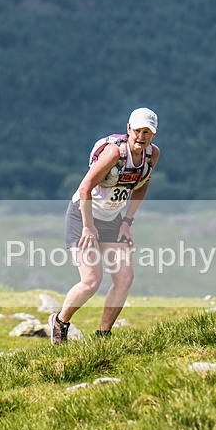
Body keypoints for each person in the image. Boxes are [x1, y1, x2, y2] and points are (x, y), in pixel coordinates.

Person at [49, 107, 160, 344]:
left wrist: (127, 222)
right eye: (138, 130)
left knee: (125, 277)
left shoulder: (152, 155)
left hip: (112, 220)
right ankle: (60, 322)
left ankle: (103, 336)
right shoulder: (113, 153)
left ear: (154, 134)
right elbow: (85, 188)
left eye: (147, 132)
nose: (141, 136)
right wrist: (88, 227)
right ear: (129, 129)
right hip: (83, 216)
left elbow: (141, 187)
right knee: (91, 281)